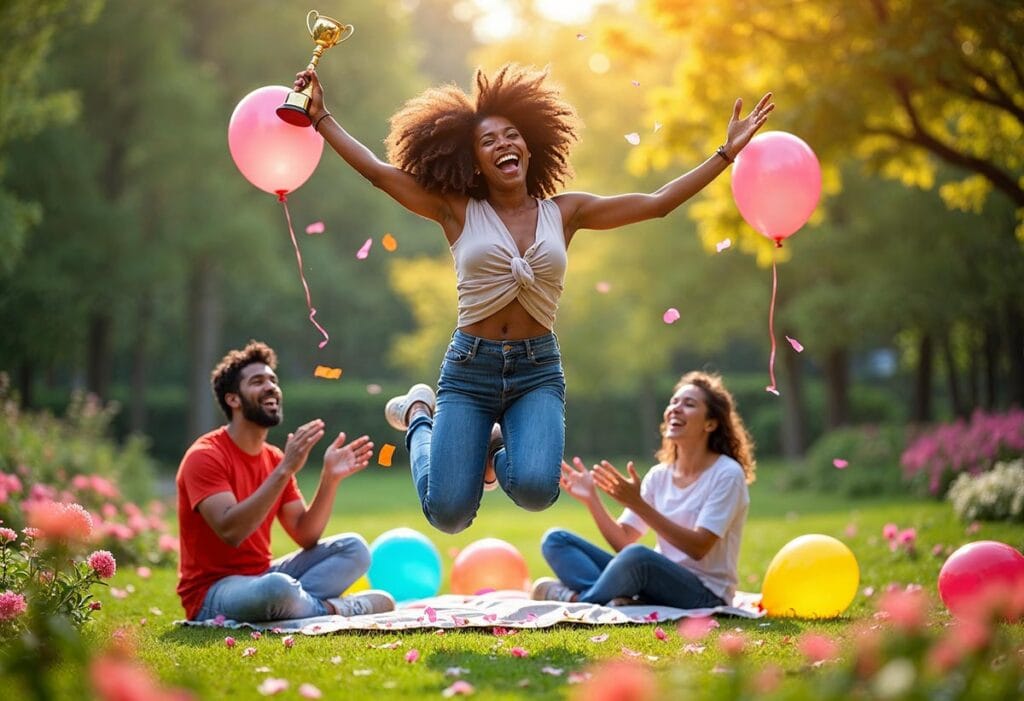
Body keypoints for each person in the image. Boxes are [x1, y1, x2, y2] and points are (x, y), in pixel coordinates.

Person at [293, 64, 772, 534]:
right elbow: (380, 174)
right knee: (449, 514)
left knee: (538, 490)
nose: (504, 144)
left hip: (536, 369)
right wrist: (321, 117)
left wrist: (725, 154)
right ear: (474, 161)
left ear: (530, 146)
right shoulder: (457, 211)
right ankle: (421, 417)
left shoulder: (566, 213)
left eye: (511, 135)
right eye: (488, 141)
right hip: (470, 368)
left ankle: (492, 446)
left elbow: (658, 203)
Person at [175, 340, 395, 622]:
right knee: (277, 587)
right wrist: (284, 470)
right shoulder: (205, 456)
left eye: (273, 380)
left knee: (355, 548)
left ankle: (297, 604)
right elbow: (231, 532)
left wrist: (330, 479)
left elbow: (305, 534)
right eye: (257, 381)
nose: (271, 387)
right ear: (233, 399)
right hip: (213, 592)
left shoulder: (274, 457)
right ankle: (334, 609)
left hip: (261, 576)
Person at [531, 371, 756, 609]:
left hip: (705, 594)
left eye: (689, 404)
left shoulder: (727, 474)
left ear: (711, 423)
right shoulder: (659, 475)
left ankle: (580, 600)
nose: (676, 408)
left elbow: (698, 547)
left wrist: (639, 504)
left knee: (638, 557)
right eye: (674, 402)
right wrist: (592, 500)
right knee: (556, 540)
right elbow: (623, 541)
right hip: (654, 583)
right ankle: (610, 597)